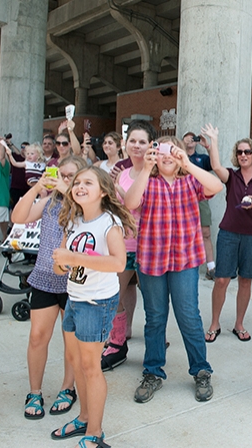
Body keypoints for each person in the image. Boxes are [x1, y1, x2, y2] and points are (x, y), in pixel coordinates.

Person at [124, 135, 223, 404]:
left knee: (189, 316)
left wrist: (188, 164)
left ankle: (201, 369)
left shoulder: (190, 180)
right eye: (160, 149)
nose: (166, 155)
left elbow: (217, 185)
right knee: (155, 318)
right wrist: (145, 169)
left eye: (171, 149)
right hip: (151, 259)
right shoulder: (148, 181)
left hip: (185, 260)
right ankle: (153, 371)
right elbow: (131, 203)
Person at [50, 167, 135, 448]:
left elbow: (118, 263)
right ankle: (84, 416)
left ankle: (95, 433)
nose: (80, 186)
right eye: (77, 183)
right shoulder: (72, 221)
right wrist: (63, 262)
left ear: (103, 192)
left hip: (97, 302)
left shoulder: (109, 223)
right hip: (75, 298)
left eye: (88, 182)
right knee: (76, 363)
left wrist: (74, 257)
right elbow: (60, 267)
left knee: (90, 367)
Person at [11, 156, 86, 420]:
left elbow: (83, 212)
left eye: (70, 176)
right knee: (37, 337)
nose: (64, 180)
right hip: (44, 277)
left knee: (71, 341)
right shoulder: (48, 202)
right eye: (61, 174)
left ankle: (68, 387)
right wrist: (37, 187)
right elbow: (17, 217)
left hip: (73, 282)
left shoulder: (86, 205)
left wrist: (66, 188)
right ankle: (35, 391)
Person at [201, 125, 252, 343]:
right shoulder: (232, 176)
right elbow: (215, 165)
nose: (243, 155)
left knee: (246, 280)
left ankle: (239, 324)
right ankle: (215, 323)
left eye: (247, 152)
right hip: (229, 234)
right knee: (222, 279)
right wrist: (213, 139)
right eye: (240, 152)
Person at [100, 121, 156, 372]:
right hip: (124, 244)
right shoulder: (121, 172)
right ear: (126, 144)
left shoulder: (154, 172)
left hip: (149, 247)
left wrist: (119, 190)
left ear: (150, 145)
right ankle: (117, 342)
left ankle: (155, 348)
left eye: (142, 141)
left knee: (154, 302)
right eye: (132, 140)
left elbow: (140, 203)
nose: (137, 146)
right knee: (115, 295)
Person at [182, 131, 216, 279]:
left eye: (193, 138)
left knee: (206, 233)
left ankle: (211, 267)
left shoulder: (202, 158)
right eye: (187, 137)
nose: (190, 140)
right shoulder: (178, 158)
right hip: (182, 199)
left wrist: (208, 146)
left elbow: (215, 165)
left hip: (200, 199)